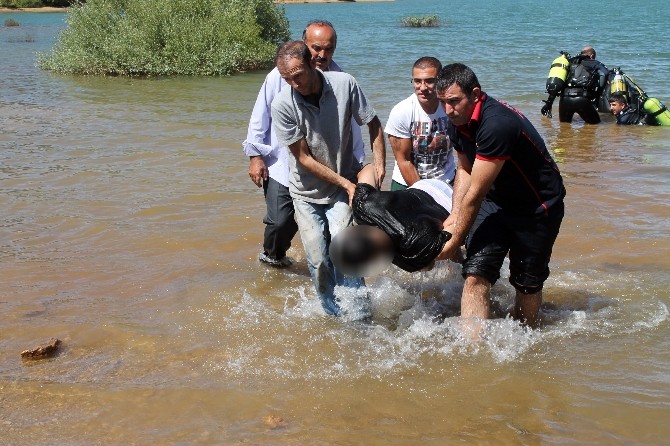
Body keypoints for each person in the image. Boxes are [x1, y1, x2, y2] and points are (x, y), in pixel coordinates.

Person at [436, 63, 566, 327]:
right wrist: (454, 214)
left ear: (475, 94)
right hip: (496, 202)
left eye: (453, 101)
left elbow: (476, 192)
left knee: (527, 284)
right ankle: (472, 351)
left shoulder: (496, 124)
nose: (448, 110)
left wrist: (455, 239)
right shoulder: (457, 120)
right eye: (443, 103)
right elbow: (464, 169)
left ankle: (526, 338)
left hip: (538, 207)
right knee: (475, 274)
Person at [270, 41, 386, 316]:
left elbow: (373, 123)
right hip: (305, 192)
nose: (294, 82)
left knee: (348, 250)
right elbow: (304, 159)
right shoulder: (282, 104)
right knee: (319, 260)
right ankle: (332, 314)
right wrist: (347, 185)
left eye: (298, 74)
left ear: (312, 62)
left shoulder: (344, 84)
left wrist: (380, 166)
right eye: (287, 78)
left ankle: (360, 315)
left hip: (342, 186)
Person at [242, 20, 365, 268]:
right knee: (280, 221)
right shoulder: (281, 75)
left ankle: (329, 273)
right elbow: (260, 116)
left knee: (333, 230)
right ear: (303, 46)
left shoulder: (340, 80)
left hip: (330, 171)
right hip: (283, 165)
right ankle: (272, 258)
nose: (322, 55)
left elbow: (354, 127)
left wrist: (359, 166)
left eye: (328, 49)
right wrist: (255, 156)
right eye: (316, 48)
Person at [330, 164, 453, 275]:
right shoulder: (363, 206)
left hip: (449, 203)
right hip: (425, 186)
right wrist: (354, 191)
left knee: (429, 264)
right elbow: (370, 169)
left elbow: (449, 244)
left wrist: (458, 213)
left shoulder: (412, 256)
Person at [385, 56, 456, 191]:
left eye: (429, 81)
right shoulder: (401, 111)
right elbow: (404, 161)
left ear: (441, 81)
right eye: (417, 81)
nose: (422, 87)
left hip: (446, 180)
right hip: (407, 182)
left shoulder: (451, 108)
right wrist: (426, 194)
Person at [542, 46, 609, 124]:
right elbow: (605, 73)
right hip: (582, 99)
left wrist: (549, 103)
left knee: (564, 128)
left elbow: (557, 84)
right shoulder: (594, 62)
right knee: (594, 125)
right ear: (592, 55)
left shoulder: (569, 62)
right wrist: (598, 93)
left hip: (565, 100)